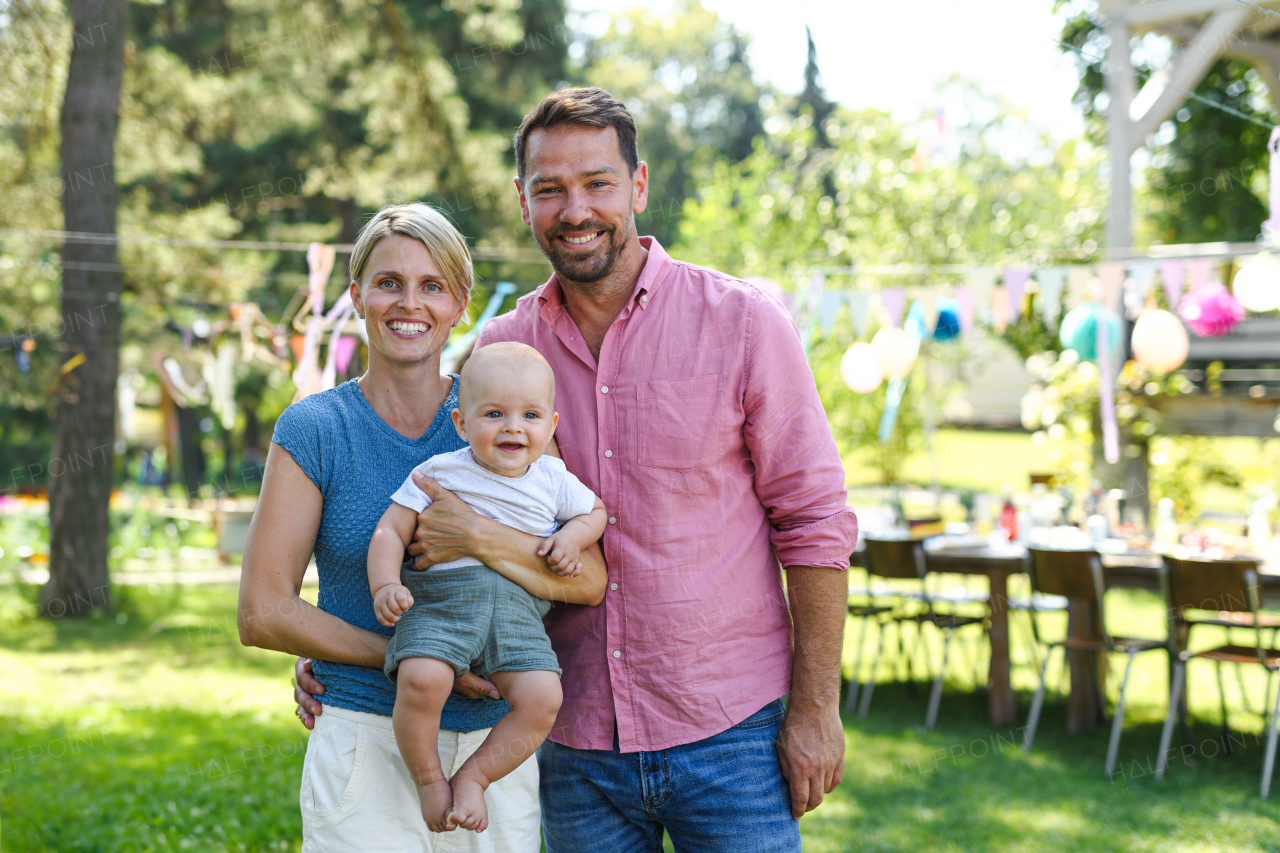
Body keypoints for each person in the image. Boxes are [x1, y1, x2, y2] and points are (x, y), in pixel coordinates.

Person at [297, 87, 857, 851]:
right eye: (550, 188)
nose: (575, 208)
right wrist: (349, 640)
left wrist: (817, 709)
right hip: (565, 737)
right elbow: (427, 497)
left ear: (639, 186)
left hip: (729, 732)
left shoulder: (743, 323)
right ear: (522, 199)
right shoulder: (500, 347)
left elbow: (816, 523)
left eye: (597, 182)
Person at [241, 202, 606, 853]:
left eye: (432, 285)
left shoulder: (503, 418)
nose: (409, 303)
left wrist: (475, 537)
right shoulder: (316, 428)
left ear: (461, 303)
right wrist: (406, 653)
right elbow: (263, 611)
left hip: (492, 753)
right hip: (364, 736)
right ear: (357, 295)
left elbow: (588, 580)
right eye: (388, 282)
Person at [368, 342, 607, 834]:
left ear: (552, 426)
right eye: (494, 413)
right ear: (461, 423)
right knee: (421, 679)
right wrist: (385, 584)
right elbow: (390, 530)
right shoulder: (439, 472)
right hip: (442, 605)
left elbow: (595, 513)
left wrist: (571, 536)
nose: (513, 427)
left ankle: (475, 777)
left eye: (531, 415)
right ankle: (431, 780)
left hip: (518, 615)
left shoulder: (554, 479)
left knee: (543, 698)